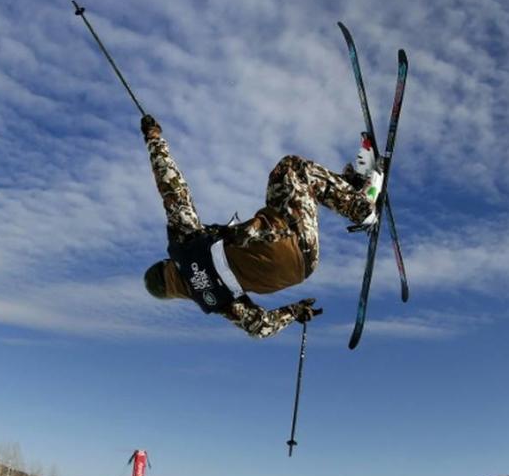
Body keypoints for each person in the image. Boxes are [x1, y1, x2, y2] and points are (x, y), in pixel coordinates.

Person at [140, 113, 384, 338]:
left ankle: (354, 189)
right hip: (279, 237)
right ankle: (360, 207)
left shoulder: (213, 301)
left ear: (172, 295)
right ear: (165, 265)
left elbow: (260, 328)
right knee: (289, 170)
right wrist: (154, 140)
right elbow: (172, 188)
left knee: (301, 191)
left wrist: (294, 311)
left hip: (306, 263)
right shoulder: (183, 247)